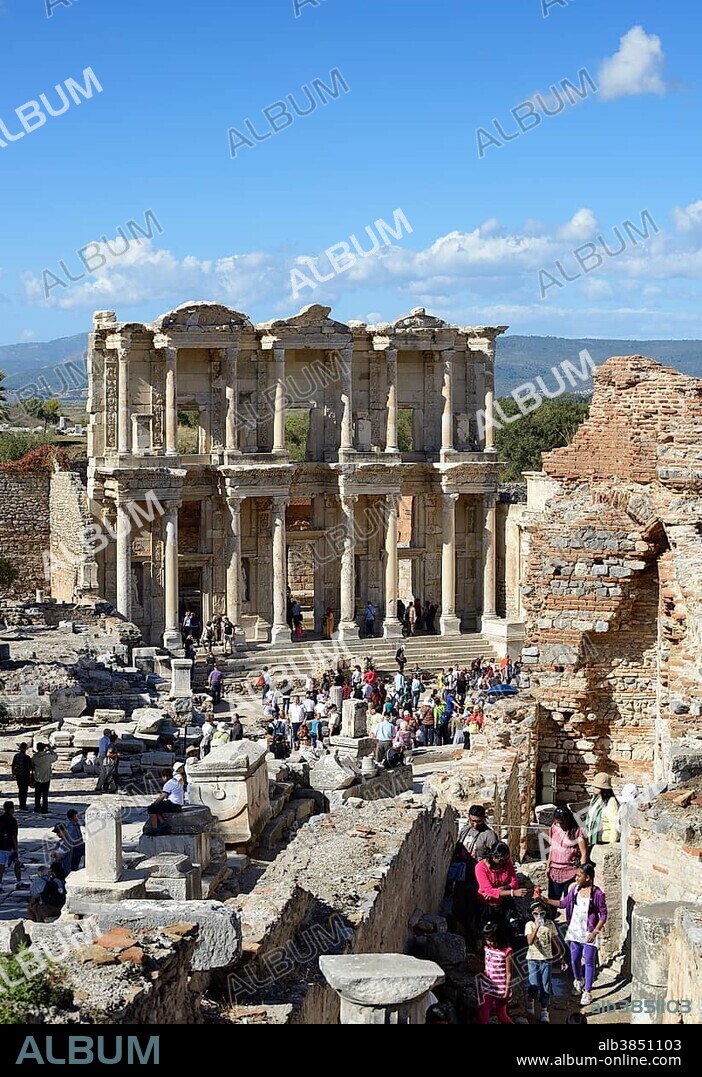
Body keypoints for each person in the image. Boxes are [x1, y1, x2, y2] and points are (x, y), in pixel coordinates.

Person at [547, 862, 607, 1007]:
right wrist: (544, 900)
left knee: (588, 960)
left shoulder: (597, 894)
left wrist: (595, 931)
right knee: (574, 959)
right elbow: (562, 904)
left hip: (589, 932)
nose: (576, 878)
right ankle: (578, 979)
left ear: (587, 877)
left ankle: (587, 990)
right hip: (575, 931)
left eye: (579, 876)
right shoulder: (574, 891)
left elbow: (603, 915)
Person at [524, 898, 560, 1022]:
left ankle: (544, 1010)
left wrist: (561, 958)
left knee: (546, 985)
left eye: (541, 913)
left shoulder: (550, 924)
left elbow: (555, 941)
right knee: (534, 985)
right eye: (535, 913)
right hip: (533, 959)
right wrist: (536, 928)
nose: (539, 916)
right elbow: (529, 941)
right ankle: (530, 999)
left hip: (546, 959)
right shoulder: (529, 925)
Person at [546, 806, 588, 899]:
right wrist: (548, 865)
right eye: (557, 822)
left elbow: (584, 853)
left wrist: (581, 873)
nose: (559, 824)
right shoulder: (553, 828)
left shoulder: (577, 832)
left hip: (570, 871)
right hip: (555, 870)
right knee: (552, 899)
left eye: (562, 822)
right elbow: (552, 847)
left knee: (569, 900)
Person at [477, 921, 513, 1024]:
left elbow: (509, 973)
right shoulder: (486, 948)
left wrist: (506, 992)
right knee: (483, 1015)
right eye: (487, 940)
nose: (489, 943)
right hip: (487, 987)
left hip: (500, 989)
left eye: (491, 940)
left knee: (501, 1015)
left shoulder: (506, 951)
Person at [146, 768, 184, 834]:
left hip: (173, 804)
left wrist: (154, 803)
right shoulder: (175, 782)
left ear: (165, 776)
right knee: (157, 808)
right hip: (178, 805)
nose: (162, 779)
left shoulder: (168, 784)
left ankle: (155, 829)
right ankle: (163, 823)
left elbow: (162, 796)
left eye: (162, 777)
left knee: (151, 808)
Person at [585, 773, 620, 846]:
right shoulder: (595, 799)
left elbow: (614, 823)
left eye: (597, 787)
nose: (594, 788)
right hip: (594, 838)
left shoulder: (611, 802)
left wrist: (612, 844)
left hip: (605, 840)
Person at [0, 801, 22, 891]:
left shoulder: (0, 818)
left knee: (1, 865)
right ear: (11, 809)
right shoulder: (12, 820)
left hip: (0, 846)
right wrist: (16, 848)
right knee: (17, 864)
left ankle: (0, 884)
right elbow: (14, 835)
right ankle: (19, 882)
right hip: (9, 846)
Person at [32, 743, 58, 815]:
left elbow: (32, 764)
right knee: (45, 795)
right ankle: (44, 808)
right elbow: (55, 757)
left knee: (37, 794)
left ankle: (37, 807)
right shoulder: (48, 757)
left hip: (37, 777)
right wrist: (50, 749)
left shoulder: (35, 757)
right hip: (46, 777)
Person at [11, 743, 33, 812]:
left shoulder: (16, 756)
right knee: (24, 790)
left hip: (18, 775)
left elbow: (13, 765)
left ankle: (21, 804)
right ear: (26, 748)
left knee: (20, 790)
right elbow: (30, 767)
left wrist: (13, 773)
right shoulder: (27, 757)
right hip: (25, 775)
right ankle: (23, 805)